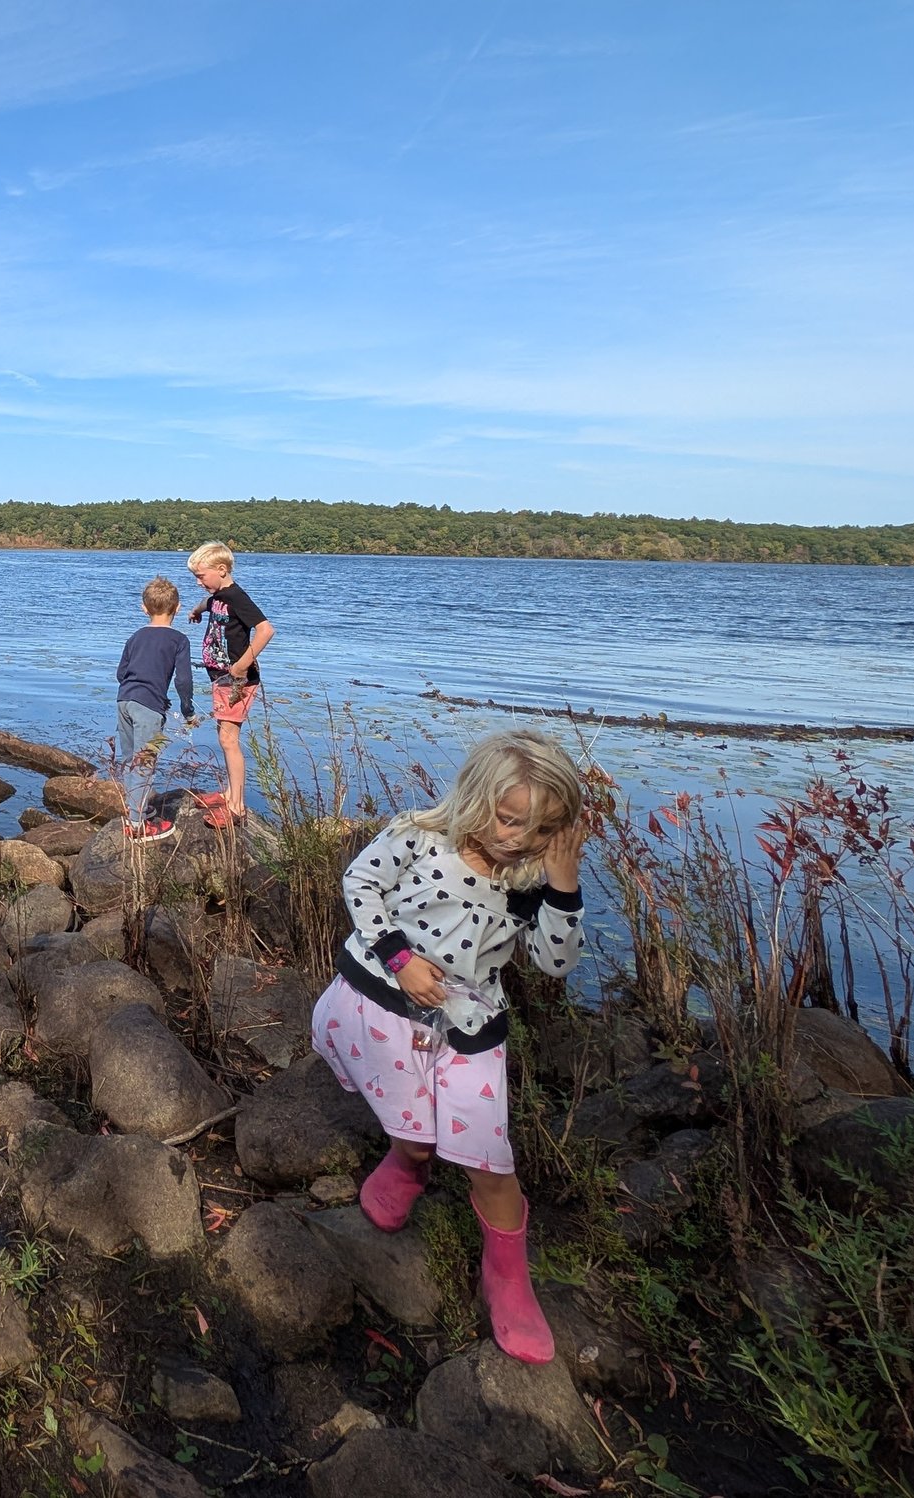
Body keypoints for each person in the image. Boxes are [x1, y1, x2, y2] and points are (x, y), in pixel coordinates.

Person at [308, 728, 588, 1364]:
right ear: (474, 795)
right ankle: (408, 1161)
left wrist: (563, 883)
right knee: (413, 1126)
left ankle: (508, 1278)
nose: (515, 838)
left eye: (539, 831)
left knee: (490, 1156)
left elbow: (554, 962)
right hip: (387, 992)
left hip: (469, 1020)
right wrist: (400, 956)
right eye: (508, 819)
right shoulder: (419, 836)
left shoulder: (531, 880)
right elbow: (360, 883)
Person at [186, 541, 272, 823]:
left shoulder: (236, 596)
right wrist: (196, 611)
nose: (199, 582)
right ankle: (227, 792)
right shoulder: (219, 596)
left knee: (228, 739)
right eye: (196, 578)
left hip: (238, 681)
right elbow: (209, 605)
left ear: (221, 570)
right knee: (225, 737)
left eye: (201, 576)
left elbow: (265, 630)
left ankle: (236, 806)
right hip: (219, 678)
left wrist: (242, 664)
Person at [115, 576, 196, 841]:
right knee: (144, 764)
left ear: (144, 608)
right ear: (178, 608)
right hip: (148, 706)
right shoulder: (179, 640)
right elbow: (183, 680)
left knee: (129, 760)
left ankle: (135, 810)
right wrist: (187, 710)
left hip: (124, 700)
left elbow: (121, 673)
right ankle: (138, 826)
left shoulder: (135, 636)